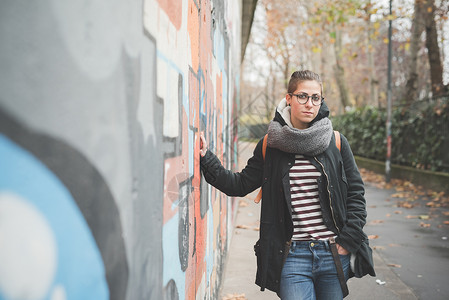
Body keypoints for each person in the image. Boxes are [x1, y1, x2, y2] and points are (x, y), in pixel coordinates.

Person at [199, 70, 375, 299]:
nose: (309, 104)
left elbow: (356, 194)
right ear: (289, 98)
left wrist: (347, 241)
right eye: (302, 96)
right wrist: (206, 158)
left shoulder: (336, 142)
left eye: (316, 97)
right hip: (292, 257)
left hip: (332, 253)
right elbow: (239, 184)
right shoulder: (270, 145)